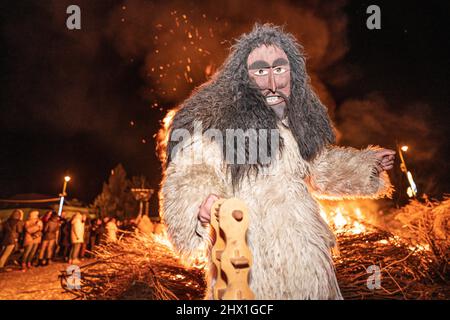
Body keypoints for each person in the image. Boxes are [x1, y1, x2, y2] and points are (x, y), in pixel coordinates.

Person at [160, 24, 395, 299]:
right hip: (248, 264)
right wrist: (201, 204)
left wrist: (366, 164)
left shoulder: (295, 125)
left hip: (306, 261)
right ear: (242, 78)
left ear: (292, 73)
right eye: (260, 71)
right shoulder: (213, 123)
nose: (273, 82)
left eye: (280, 69)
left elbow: (320, 167)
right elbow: (191, 172)